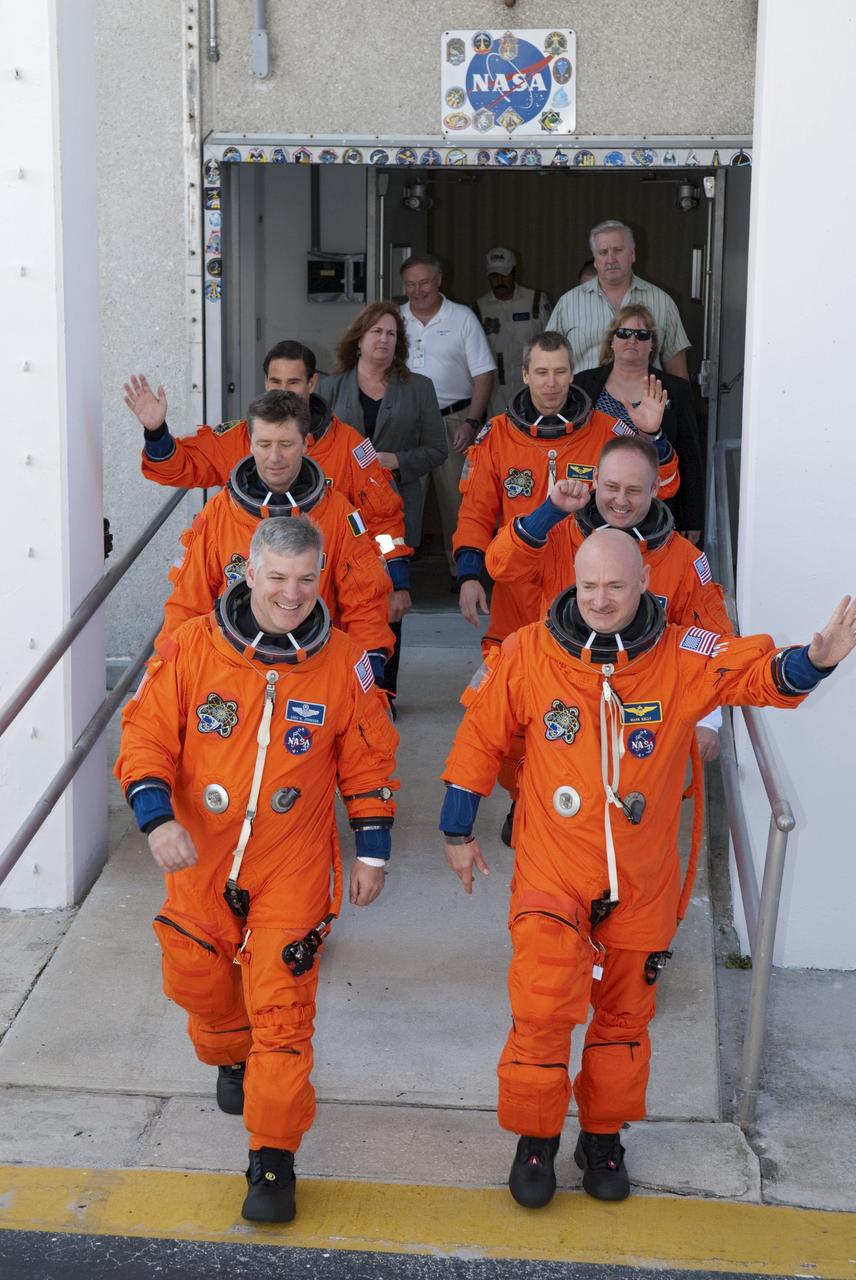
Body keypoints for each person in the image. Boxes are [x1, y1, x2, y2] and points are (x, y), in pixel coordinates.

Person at [441, 528, 856, 1209]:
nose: (601, 600)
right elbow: (480, 738)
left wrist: (813, 660)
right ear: (574, 585)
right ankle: (535, 1140)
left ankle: (603, 1137)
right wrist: (457, 830)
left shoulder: (680, 653)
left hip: (641, 877)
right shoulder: (528, 653)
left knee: (624, 1021)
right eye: (589, 585)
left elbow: (751, 673)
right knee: (542, 1012)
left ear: (643, 587)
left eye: (616, 586)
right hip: (553, 869)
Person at [117, 516, 399, 1223]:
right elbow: (145, 735)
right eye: (277, 578)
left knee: (284, 1015)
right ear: (248, 574)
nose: (293, 593)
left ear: (321, 575)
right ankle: (227, 1049)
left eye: (306, 578)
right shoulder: (190, 648)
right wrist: (158, 819)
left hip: (293, 864)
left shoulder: (345, 662)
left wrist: (371, 849)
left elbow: (369, 757)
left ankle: (272, 1159)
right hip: (200, 855)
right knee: (198, 978)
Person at [485, 433, 728, 811]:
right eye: (611, 486)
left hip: (640, 702)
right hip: (561, 689)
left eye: (634, 490)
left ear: (655, 490)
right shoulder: (560, 534)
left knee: (628, 816)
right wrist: (549, 511)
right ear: (595, 480)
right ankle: (524, 803)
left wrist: (709, 720)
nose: (620, 500)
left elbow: (711, 639)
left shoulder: (682, 560)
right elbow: (500, 565)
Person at [123, 340, 412, 620]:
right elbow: (178, 467)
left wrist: (397, 581)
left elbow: (383, 520)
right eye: (276, 382)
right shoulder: (240, 438)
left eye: (293, 382)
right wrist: (157, 432)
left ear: (311, 383)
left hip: (324, 601)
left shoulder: (349, 447)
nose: (284, 390)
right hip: (248, 598)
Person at [453, 331, 679, 652]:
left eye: (560, 372)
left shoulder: (605, 431)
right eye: (542, 372)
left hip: (584, 588)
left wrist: (652, 436)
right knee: (500, 686)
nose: (551, 383)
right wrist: (469, 576)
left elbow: (665, 487)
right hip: (515, 587)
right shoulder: (497, 436)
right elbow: (475, 513)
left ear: (572, 373)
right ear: (525, 374)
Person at [157, 390, 393, 678]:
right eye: (264, 444)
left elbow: (364, 601)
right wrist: (170, 672)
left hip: (315, 670)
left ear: (306, 444)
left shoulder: (337, 515)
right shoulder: (219, 514)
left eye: (286, 444)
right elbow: (188, 604)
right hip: (231, 671)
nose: (274, 458)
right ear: (250, 445)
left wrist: (371, 676)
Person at [317, 303, 448, 696]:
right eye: (376, 332)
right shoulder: (328, 388)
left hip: (392, 514)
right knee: (338, 596)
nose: (384, 340)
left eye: (392, 334)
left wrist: (396, 461)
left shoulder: (419, 388)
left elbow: (437, 450)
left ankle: (383, 691)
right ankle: (337, 686)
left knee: (389, 598)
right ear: (359, 338)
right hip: (338, 511)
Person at [399, 254, 495, 576]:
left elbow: (483, 374)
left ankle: (462, 571)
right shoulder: (394, 321)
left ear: (439, 280)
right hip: (407, 424)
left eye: (424, 282)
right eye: (410, 284)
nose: (417, 290)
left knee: (459, 500)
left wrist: (471, 422)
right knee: (402, 499)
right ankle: (397, 569)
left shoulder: (462, 318)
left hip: (454, 420)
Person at [573, 306, 705, 542]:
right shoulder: (582, 384)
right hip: (592, 504)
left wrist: (693, 519)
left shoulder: (676, 390)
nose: (632, 340)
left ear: (652, 344)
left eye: (642, 335)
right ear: (611, 340)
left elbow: (690, 458)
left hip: (656, 504)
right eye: (623, 333)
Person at [548, 221, 691, 377]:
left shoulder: (663, 302)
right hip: (584, 399)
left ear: (633, 254)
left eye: (618, 250)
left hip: (645, 399)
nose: (611, 259)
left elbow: (677, 370)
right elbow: (548, 360)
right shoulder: (568, 304)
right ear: (595, 260)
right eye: (603, 252)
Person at [473, 248, 552, 417]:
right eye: (494, 276)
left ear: (514, 272)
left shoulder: (536, 301)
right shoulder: (478, 309)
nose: (499, 281)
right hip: (495, 393)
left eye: (504, 274)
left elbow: (552, 346)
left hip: (532, 387)